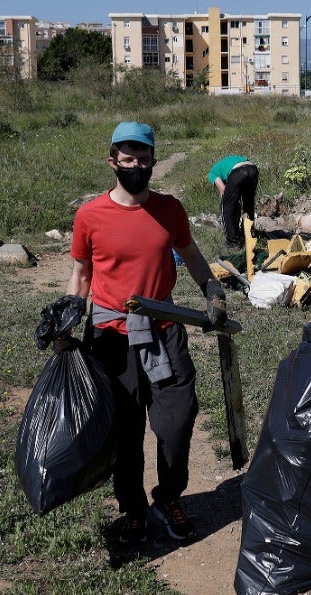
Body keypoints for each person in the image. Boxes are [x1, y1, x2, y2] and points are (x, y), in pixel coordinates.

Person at [68, 121, 227, 546]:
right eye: (127, 158)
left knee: (177, 420)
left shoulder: (170, 209)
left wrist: (212, 289)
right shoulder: (90, 215)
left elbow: (191, 255)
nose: (135, 165)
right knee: (125, 427)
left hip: (164, 329)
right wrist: (71, 307)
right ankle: (133, 507)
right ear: (113, 162)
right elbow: (81, 273)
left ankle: (168, 496)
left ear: (153, 162)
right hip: (111, 336)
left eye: (143, 158)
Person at [207, 153, 260, 247]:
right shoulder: (227, 163)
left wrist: (232, 203)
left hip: (238, 172)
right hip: (252, 169)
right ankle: (248, 235)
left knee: (226, 206)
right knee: (248, 205)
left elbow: (223, 191)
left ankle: (232, 242)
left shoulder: (212, 173)